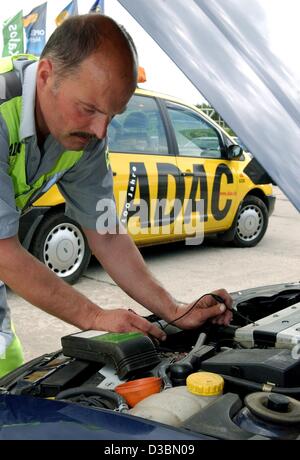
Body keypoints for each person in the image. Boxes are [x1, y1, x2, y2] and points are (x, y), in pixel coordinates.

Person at [0, 14, 232, 378]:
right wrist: (95, 316)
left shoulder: (85, 135)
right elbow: (3, 252)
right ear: (46, 75)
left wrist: (175, 310)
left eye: (113, 115)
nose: (100, 130)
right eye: (89, 109)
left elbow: (105, 232)